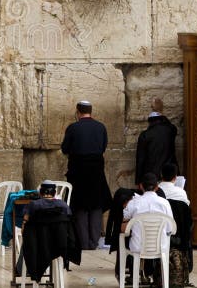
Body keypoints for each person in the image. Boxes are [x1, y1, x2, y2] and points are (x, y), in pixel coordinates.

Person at [60, 100, 112, 250]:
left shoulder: (73, 128)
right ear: (91, 111)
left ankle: (83, 243)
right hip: (96, 173)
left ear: (78, 112)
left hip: (78, 173)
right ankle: (94, 242)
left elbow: (65, 148)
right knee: (96, 207)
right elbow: (103, 147)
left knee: (80, 207)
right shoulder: (101, 127)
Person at [122, 173, 174, 287]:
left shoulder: (134, 203)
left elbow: (125, 218)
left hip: (138, 247)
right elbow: (171, 228)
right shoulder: (165, 203)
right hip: (161, 247)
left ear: (141, 186)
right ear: (157, 187)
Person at [135, 98, 178, 186]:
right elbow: (170, 126)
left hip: (151, 178)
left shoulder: (145, 135)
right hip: (168, 175)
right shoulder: (171, 130)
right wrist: (161, 113)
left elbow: (140, 160)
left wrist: (139, 181)